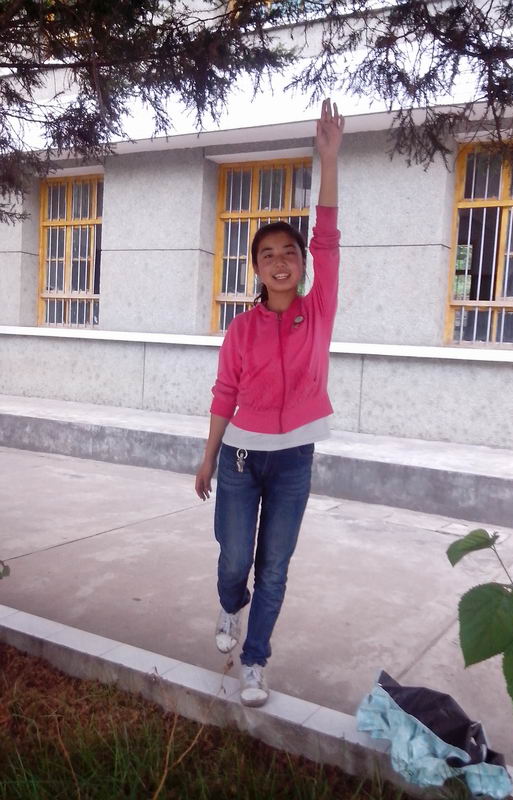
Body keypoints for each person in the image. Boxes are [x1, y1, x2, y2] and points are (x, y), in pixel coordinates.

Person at [195, 98, 344, 707]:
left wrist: (328, 161)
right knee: (235, 561)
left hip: (294, 460)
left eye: (290, 253)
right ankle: (230, 606)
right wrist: (208, 456)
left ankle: (255, 661)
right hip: (238, 458)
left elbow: (329, 238)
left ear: (302, 264)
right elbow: (224, 393)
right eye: (268, 255)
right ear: (256, 268)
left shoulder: (318, 312)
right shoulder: (241, 328)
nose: (280, 262)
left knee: (275, 567)